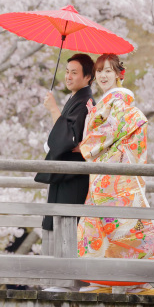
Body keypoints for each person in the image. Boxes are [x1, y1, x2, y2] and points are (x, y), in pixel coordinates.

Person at [76, 54, 154, 295]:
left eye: (109, 70)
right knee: (104, 223)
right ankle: (106, 281)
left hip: (112, 175)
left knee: (119, 223)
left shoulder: (118, 101)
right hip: (102, 175)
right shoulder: (105, 102)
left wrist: (84, 146)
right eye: (99, 71)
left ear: (119, 74)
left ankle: (131, 282)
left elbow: (113, 129)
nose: (103, 75)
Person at [34, 53, 94, 245]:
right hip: (66, 174)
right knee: (57, 225)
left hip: (74, 175)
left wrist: (53, 109)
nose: (68, 76)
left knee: (66, 230)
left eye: (74, 73)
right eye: (67, 72)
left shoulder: (85, 102)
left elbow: (69, 140)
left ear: (87, 77)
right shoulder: (75, 98)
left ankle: (66, 274)